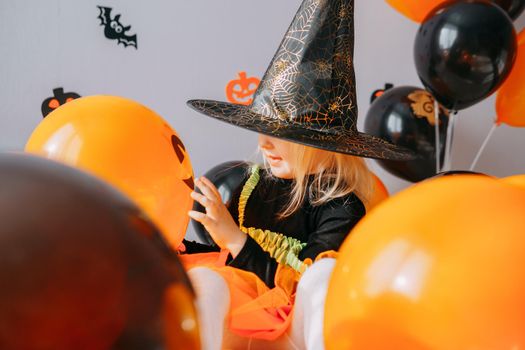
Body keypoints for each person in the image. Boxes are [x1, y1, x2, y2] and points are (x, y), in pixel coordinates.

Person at [181, 0, 415, 348]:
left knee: (323, 274)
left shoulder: (342, 206)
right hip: (241, 324)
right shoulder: (251, 185)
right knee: (205, 280)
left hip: (296, 331)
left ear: (318, 143)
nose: (264, 144)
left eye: (280, 135)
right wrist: (174, 241)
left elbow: (299, 282)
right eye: (262, 130)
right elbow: (224, 261)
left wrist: (233, 238)